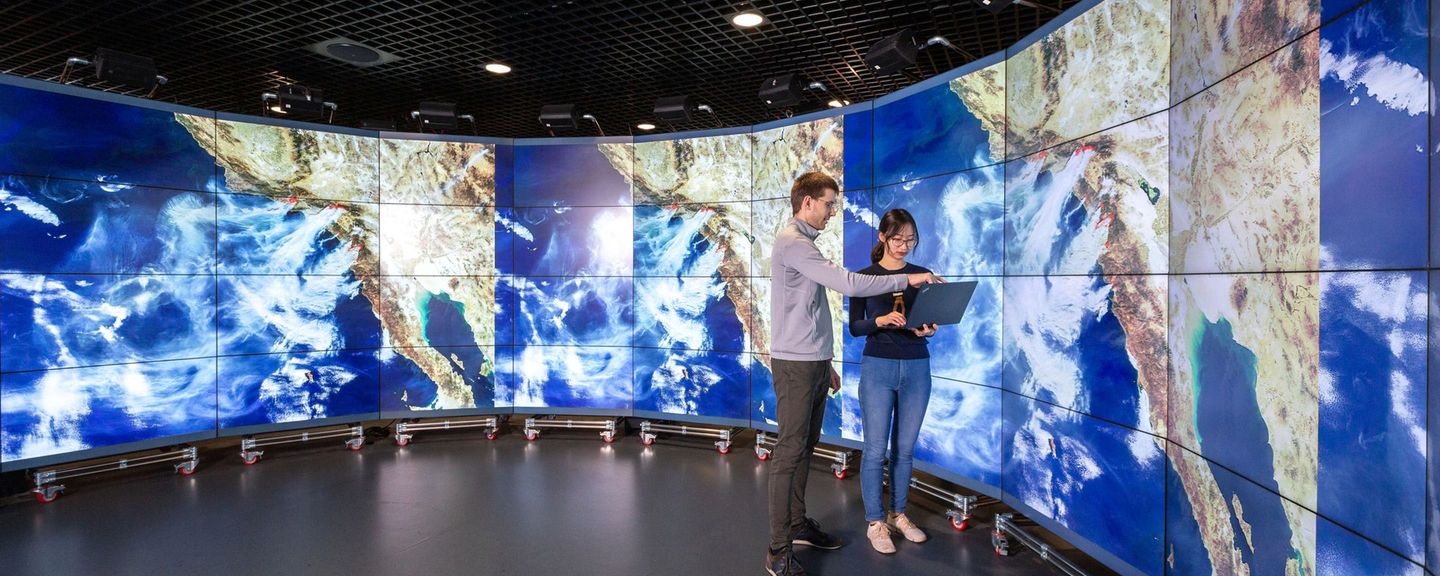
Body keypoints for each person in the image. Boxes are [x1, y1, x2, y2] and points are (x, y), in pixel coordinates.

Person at [766, 173, 942, 576]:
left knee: (804, 448)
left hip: (810, 362)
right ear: (807, 202)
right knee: (789, 453)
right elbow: (847, 284)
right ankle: (777, 550)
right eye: (829, 203)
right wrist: (908, 277)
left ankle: (796, 525)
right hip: (794, 364)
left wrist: (824, 362)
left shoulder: (804, 244)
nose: (832, 211)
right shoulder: (792, 242)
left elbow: (807, 312)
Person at [848, 208, 938, 554]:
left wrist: (928, 328)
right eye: (897, 238)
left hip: (917, 366)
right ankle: (876, 522)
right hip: (878, 366)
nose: (904, 245)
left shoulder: (922, 276)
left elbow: (927, 321)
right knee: (874, 449)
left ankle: (899, 514)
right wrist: (880, 320)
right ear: (883, 237)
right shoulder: (863, 277)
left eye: (910, 240)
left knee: (904, 450)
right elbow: (856, 327)